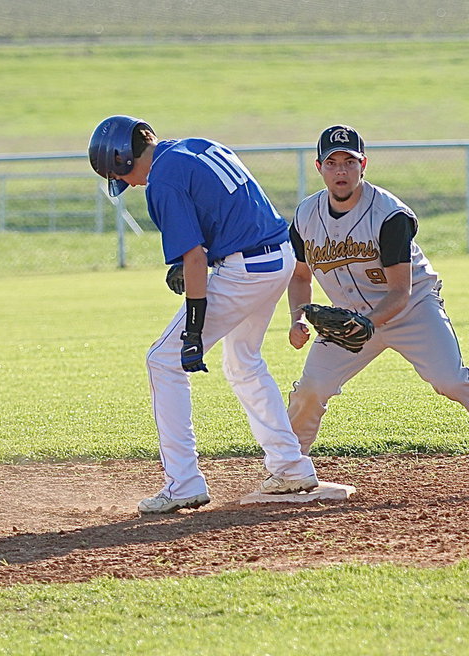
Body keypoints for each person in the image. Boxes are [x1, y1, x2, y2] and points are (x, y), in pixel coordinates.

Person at [286, 125, 469, 481]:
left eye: (349, 161)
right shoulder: (305, 216)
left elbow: (400, 291)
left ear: (363, 165)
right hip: (350, 319)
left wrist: (368, 322)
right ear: (318, 166)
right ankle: (287, 467)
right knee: (311, 388)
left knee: (451, 380)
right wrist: (298, 318)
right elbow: (300, 276)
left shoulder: (388, 215)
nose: (341, 170)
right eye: (332, 162)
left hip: (412, 310)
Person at [88, 115, 318, 514]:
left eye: (123, 176)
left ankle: (183, 483)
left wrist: (193, 331)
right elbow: (224, 212)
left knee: (163, 360)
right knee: (243, 360)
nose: (130, 184)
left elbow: (195, 257)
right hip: (277, 256)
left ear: (125, 161)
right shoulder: (193, 145)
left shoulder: (163, 179)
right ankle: (290, 466)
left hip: (245, 269)